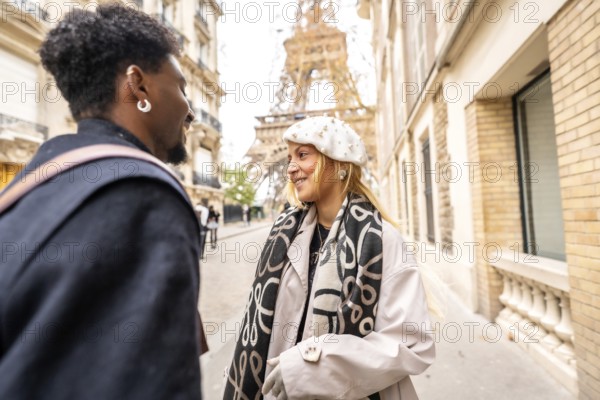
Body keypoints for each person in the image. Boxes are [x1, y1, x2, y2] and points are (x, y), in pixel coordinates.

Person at [0, 4, 204, 399]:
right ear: (138, 85)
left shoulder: (30, 185)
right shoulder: (143, 195)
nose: (190, 109)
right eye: (180, 87)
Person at [224, 116, 437, 400]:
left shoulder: (383, 240)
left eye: (302, 155)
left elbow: (412, 343)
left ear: (338, 163)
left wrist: (314, 365)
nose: (290, 168)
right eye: (289, 158)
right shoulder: (284, 235)